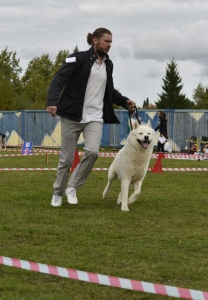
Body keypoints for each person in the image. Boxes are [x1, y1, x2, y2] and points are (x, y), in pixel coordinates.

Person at [46, 27, 136, 207]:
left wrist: (124, 101)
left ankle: (72, 187)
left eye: (111, 42)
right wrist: (52, 101)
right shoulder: (77, 58)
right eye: (106, 41)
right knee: (67, 158)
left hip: (95, 116)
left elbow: (109, 91)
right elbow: (58, 79)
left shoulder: (108, 65)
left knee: (93, 152)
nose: (110, 45)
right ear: (95, 40)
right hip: (72, 115)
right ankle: (58, 192)